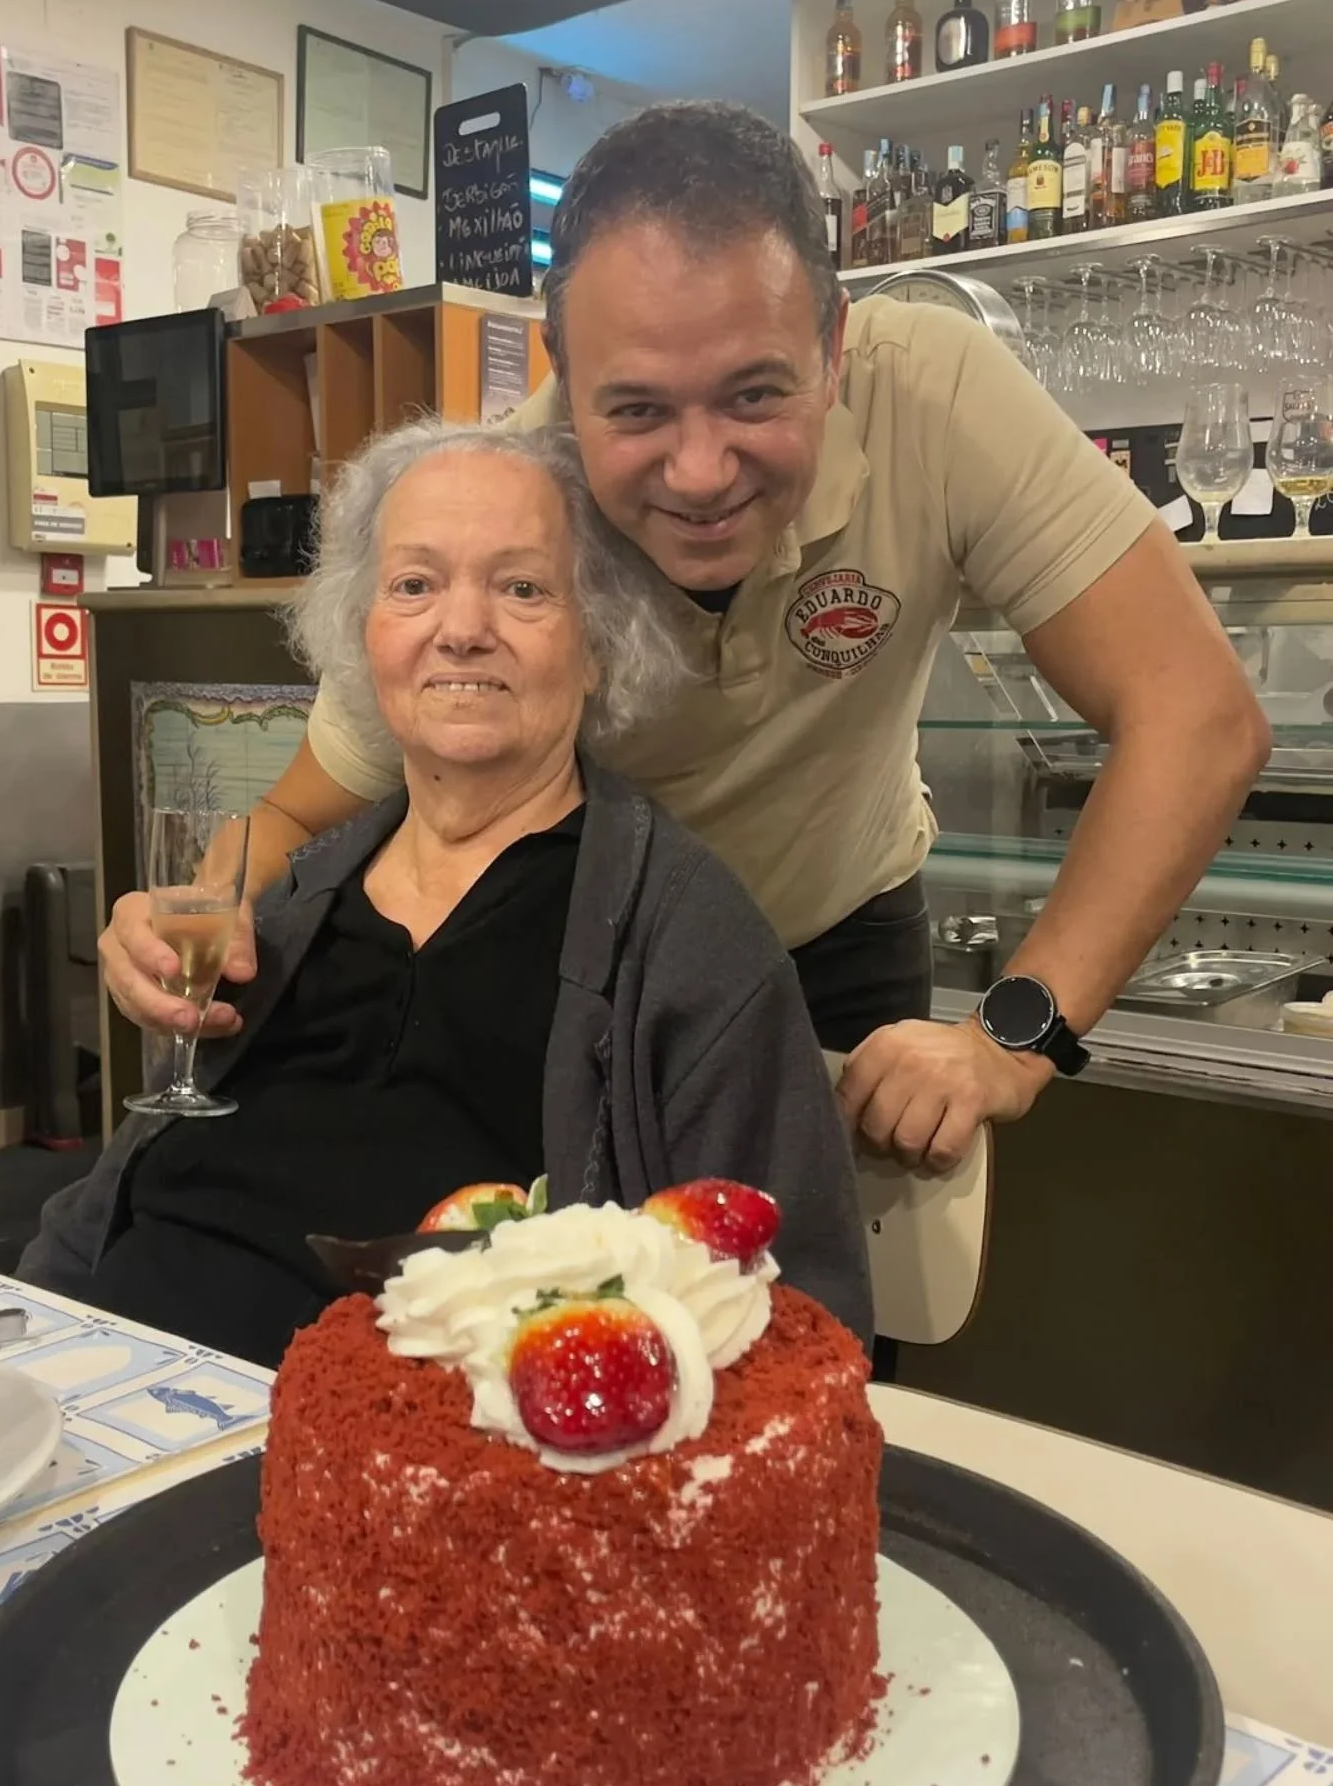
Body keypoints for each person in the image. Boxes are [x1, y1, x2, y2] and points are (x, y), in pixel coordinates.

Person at [100, 103, 1269, 1174]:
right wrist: (193, 919)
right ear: (565, 379)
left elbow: (1198, 718)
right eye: (639, 410)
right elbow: (304, 814)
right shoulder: (514, 492)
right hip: (580, 969)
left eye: (756, 396)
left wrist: (1014, 1037)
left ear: (835, 345)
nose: (702, 474)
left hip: (838, 934)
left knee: (819, 1333)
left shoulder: (940, 390)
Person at [18, 423, 869, 1368]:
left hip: (402, 1468)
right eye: (415, 585)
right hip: (103, 1384)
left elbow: (799, 1329)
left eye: (522, 588)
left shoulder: (687, 943)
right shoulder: (295, 898)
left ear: (599, 643)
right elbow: (103, 1209)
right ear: (366, 636)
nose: (461, 629)